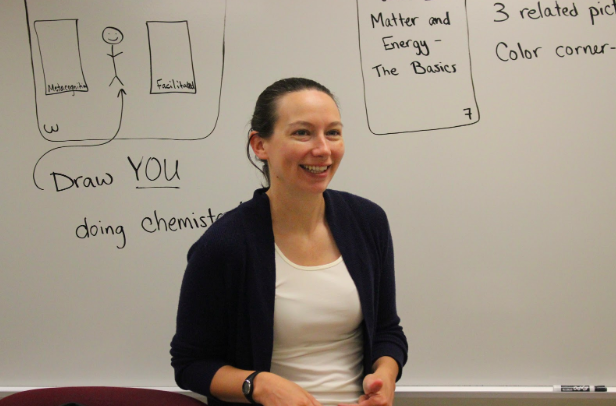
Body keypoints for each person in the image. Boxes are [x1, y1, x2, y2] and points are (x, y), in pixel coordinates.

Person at [170, 78, 408, 406]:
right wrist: (259, 385)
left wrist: (385, 377)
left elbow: (386, 330)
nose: (323, 149)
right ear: (260, 145)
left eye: (333, 132)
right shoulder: (225, 244)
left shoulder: (367, 222)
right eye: (302, 132)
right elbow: (190, 364)